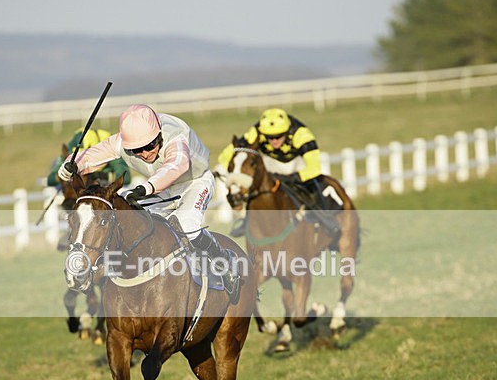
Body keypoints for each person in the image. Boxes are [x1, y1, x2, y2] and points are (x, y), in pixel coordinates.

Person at [58, 104, 240, 304]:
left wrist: (146, 188)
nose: (144, 153)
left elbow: (177, 164)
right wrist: (71, 165)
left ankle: (224, 261)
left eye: (150, 146)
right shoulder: (123, 141)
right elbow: (93, 155)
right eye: (137, 150)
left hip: (195, 183)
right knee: (135, 223)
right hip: (160, 189)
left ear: (158, 135)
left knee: (186, 224)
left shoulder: (175, 135)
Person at [217, 107, 341, 237]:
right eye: (270, 137)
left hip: (298, 163)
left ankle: (326, 219)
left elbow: (314, 168)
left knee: (310, 188)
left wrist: (292, 178)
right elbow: (226, 155)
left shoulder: (302, 135)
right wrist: (234, 175)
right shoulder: (256, 131)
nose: (274, 141)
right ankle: (247, 221)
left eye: (278, 136)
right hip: (272, 163)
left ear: (286, 131)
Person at [46, 127, 130, 188]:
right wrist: (64, 175)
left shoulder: (111, 145)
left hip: (104, 187)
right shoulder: (71, 147)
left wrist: (99, 176)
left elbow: (126, 178)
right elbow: (50, 180)